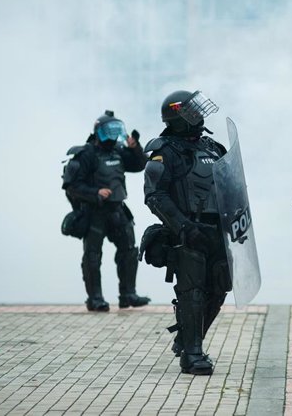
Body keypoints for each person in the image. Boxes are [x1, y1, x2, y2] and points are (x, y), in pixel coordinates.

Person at [142, 90, 231, 375]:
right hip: (188, 232)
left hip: (218, 231)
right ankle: (192, 354)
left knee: (219, 287)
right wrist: (183, 226)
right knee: (192, 292)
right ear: (177, 116)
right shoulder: (164, 151)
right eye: (191, 112)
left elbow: (233, 188)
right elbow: (155, 195)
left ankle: (188, 338)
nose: (199, 116)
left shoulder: (214, 147)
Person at [62, 110, 150, 311]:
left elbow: (140, 164)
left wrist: (135, 147)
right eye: (109, 131)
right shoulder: (86, 155)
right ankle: (95, 299)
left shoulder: (118, 151)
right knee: (93, 256)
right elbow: (72, 186)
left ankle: (128, 295)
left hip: (118, 210)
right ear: (99, 132)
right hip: (94, 212)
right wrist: (96, 192)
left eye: (116, 131)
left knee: (129, 251)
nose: (113, 136)